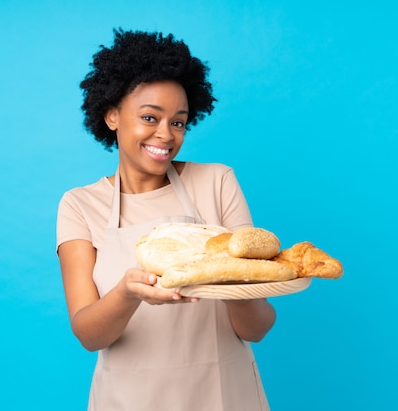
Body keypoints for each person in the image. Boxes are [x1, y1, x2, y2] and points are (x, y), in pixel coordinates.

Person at [56, 28, 275, 411]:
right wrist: (128, 293)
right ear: (111, 115)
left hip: (223, 392)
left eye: (178, 122)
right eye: (149, 117)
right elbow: (89, 334)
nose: (166, 135)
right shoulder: (79, 205)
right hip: (129, 398)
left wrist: (232, 275)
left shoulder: (217, 182)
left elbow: (256, 328)